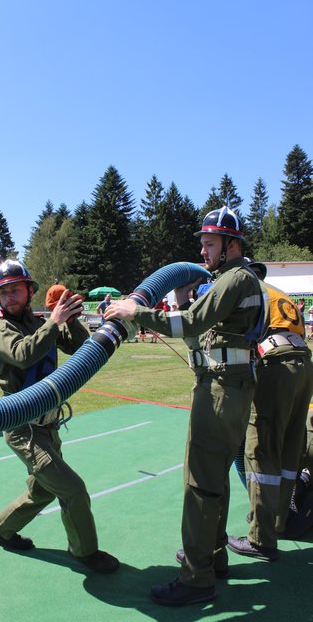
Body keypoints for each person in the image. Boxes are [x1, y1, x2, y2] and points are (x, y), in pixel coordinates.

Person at [105, 205, 264, 606]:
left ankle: (196, 579)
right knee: (215, 478)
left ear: (231, 245)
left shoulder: (234, 279)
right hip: (230, 386)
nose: (204, 252)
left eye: (210, 244)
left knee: (199, 484)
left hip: (221, 390)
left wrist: (134, 311)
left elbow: (189, 325)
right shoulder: (237, 279)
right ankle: (212, 557)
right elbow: (201, 331)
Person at [0, 260, 119, 574]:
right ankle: (84, 552)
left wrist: (69, 317)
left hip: (48, 423)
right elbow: (23, 354)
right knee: (72, 489)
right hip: (22, 428)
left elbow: (79, 346)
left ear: (29, 291)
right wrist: (54, 321)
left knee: (43, 490)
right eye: (3, 292)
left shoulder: (36, 320)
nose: (9, 297)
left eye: (15, 290)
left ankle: (1, 529)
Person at [227, 260, 313, 561]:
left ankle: (261, 539)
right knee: (289, 449)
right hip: (302, 364)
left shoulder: (247, 292)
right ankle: (279, 520)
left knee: (261, 449)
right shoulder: (281, 295)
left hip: (275, 364)